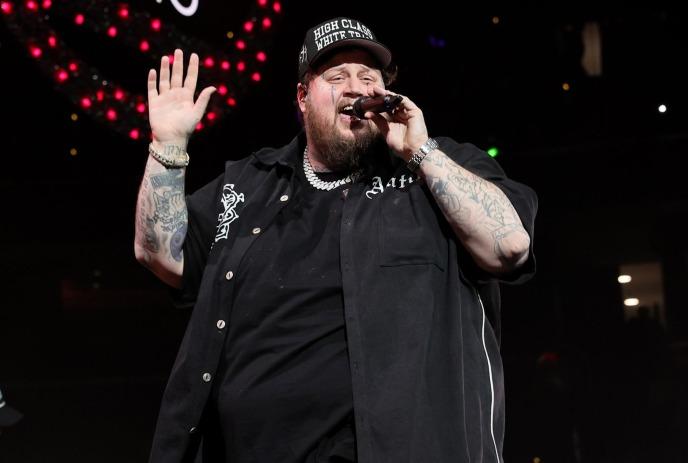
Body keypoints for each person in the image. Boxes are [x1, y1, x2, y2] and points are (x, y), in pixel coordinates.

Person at [135, 16, 537, 463]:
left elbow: (509, 246)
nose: (355, 87)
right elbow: (160, 255)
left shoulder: (436, 169)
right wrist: (168, 145)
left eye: (368, 77)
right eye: (337, 76)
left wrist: (421, 153)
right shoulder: (249, 185)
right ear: (303, 98)